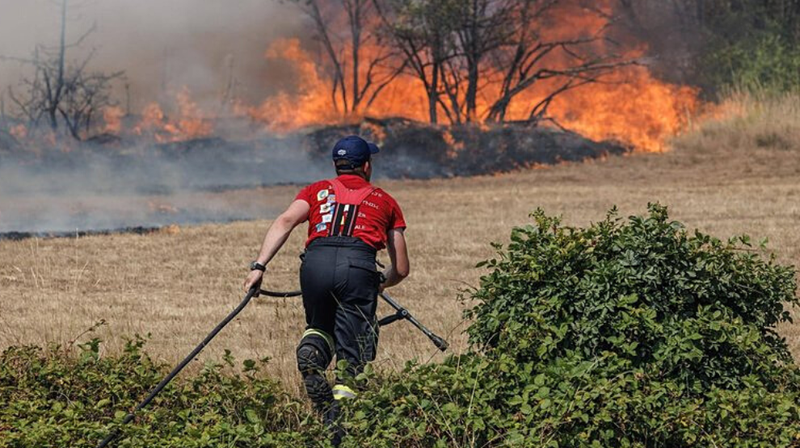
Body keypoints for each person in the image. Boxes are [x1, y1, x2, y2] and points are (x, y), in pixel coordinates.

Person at [243, 135, 410, 438]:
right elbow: (400, 268)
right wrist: (379, 283)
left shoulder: (316, 191)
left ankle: (311, 354)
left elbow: (284, 221)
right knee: (353, 350)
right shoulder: (385, 200)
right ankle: (338, 425)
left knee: (320, 324)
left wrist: (259, 267)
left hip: (315, 266)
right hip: (358, 267)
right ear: (367, 166)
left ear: (336, 165)